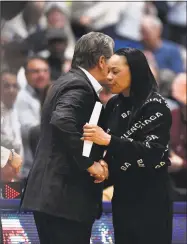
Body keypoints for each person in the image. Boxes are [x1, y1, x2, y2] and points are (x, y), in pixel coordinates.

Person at [20, 32, 114, 244]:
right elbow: (62, 120)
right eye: (112, 59)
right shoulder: (79, 86)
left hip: (53, 198)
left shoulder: (67, 81)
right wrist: (90, 164)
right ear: (101, 61)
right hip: (63, 201)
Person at [82, 48, 173, 244]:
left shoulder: (155, 106)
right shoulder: (114, 104)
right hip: (123, 192)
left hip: (151, 194)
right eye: (107, 71)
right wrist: (104, 165)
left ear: (134, 70)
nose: (108, 77)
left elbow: (153, 152)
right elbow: (108, 148)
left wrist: (108, 140)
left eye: (115, 71)